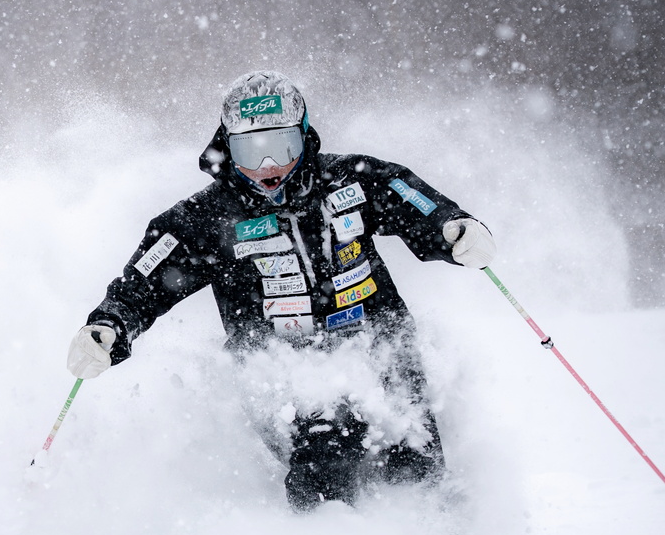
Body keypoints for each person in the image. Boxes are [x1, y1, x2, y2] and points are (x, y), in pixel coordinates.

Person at [66, 71, 496, 510]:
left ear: (305, 137)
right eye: (250, 151)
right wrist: (109, 325)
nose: (268, 166)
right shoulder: (204, 220)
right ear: (227, 147)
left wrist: (452, 229)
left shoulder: (353, 179)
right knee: (328, 459)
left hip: (380, 342)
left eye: (282, 147)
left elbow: (414, 203)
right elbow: (143, 284)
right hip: (282, 367)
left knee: (413, 462)